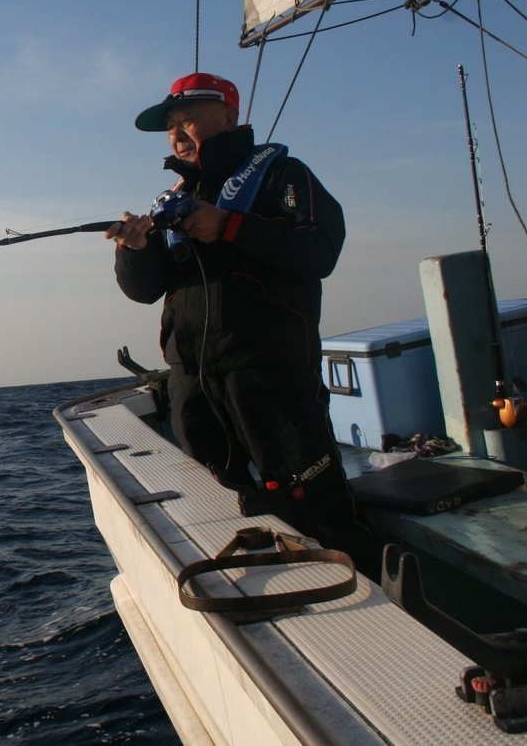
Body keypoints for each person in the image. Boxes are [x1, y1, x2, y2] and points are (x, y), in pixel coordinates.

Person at [106, 71, 378, 577]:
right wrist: (135, 251)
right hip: (194, 378)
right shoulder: (172, 200)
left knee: (309, 495)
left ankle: (364, 588)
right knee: (219, 493)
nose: (176, 133)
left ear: (229, 115)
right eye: (169, 125)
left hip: (268, 374)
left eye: (186, 118)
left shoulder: (283, 176)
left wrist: (229, 225)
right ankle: (263, 588)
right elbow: (144, 289)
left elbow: (320, 249)